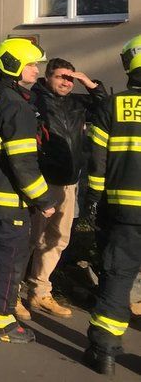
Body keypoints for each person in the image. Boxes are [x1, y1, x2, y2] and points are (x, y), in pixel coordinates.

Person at [0, 38, 57, 343]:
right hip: (6, 201)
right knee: (5, 263)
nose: (36, 70)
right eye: (31, 64)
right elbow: (23, 164)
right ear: (15, 65)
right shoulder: (16, 106)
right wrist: (43, 199)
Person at [23, 58, 106, 319]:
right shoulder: (34, 100)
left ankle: (40, 291)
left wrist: (90, 84)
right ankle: (11, 291)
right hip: (42, 183)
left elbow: (105, 108)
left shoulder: (76, 103)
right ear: (48, 77)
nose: (66, 82)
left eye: (70, 78)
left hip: (69, 183)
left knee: (58, 240)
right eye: (61, 77)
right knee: (29, 240)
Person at [82, 35, 141, 376]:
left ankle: (103, 351)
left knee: (117, 278)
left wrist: (94, 201)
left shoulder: (111, 108)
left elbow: (97, 163)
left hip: (123, 213)